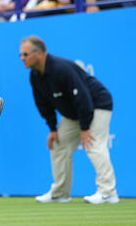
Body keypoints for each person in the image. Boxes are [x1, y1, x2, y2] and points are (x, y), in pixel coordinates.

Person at [19, 35, 119, 204]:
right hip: (75, 113)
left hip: (97, 105)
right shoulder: (34, 76)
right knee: (58, 143)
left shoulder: (61, 68)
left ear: (39, 53)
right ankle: (61, 193)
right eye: (20, 55)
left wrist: (85, 128)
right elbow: (43, 104)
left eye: (25, 54)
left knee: (93, 143)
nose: (22, 58)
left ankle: (108, 192)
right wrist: (52, 129)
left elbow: (83, 97)